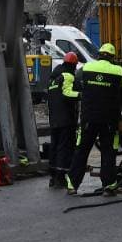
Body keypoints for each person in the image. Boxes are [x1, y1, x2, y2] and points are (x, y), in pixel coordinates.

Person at [66, 42, 122, 196]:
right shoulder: (118, 71)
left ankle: (73, 185)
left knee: (81, 150)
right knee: (108, 152)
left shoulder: (86, 68)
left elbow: (76, 85)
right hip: (109, 120)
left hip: (89, 118)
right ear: (113, 57)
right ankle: (109, 185)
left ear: (99, 54)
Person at [46, 52, 81, 188]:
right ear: (73, 65)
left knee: (55, 146)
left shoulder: (53, 79)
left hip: (54, 118)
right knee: (64, 147)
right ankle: (61, 176)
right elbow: (67, 94)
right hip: (66, 119)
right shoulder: (67, 76)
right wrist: (81, 95)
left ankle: (53, 175)